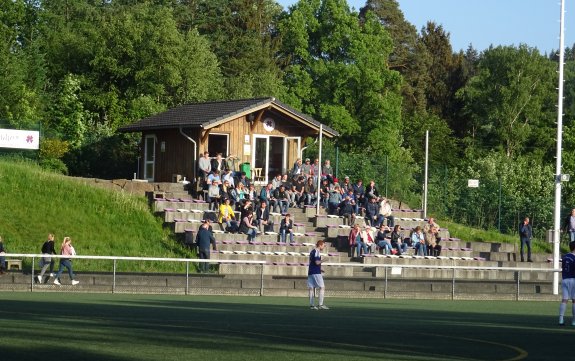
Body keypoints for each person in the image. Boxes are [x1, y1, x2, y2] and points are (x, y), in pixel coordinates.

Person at [308, 240, 329, 310]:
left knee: (311, 288)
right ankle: (321, 304)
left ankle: (312, 305)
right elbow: (317, 262)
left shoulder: (312, 251)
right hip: (316, 272)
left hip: (311, 272)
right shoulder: (317, 252)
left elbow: (312, 263)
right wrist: (324, 260)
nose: (323, 247)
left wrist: (320, 269)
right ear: (320, 245)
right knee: (322, 287)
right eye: (323, 245)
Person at [559, 242, 575, 326]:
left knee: (564, 300)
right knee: (574, 301)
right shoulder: (574, 257)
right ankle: (573, 321)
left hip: (564, 279)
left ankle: (561, 319)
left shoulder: (565, 257)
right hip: (573, 279)